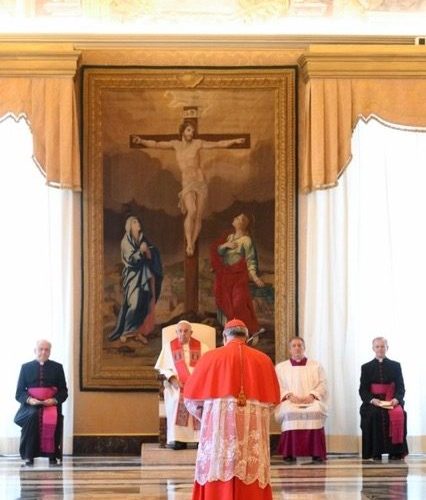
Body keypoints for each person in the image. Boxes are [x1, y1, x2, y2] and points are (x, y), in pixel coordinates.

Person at [184, 318, 280, 500]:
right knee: (251, 470)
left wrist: (206, 417)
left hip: (219, 432)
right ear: (246, 337)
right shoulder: (264, 360)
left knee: (218, 468)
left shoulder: (210, 358)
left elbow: (190, 399)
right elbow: (272, 404)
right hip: (251, 432)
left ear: (224, 337)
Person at [133, 121, 245, 256]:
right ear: (182, 131)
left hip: (200, 181)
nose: (191, 133)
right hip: (187, 182)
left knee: (198, 216)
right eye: (188, 130)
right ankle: (189, 243)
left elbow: (218, 143)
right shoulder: (175, 144)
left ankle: (192, 242)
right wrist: (141, 141)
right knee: (191, 210)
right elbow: (156, 144)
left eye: (192, 131)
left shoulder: (197, 143)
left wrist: (235, 141)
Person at [154, 320, 210, 450]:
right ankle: (178, 439)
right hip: (177, 386)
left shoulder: (203, 347)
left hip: (198, 386)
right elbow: (163, 368)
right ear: (176, 332)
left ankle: (199, 438)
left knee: (201, 401)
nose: (182, 334)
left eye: (186, 331)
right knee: (175, 400)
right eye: (180, 331)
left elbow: (209, 367)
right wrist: (173, 379)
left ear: (191, 333)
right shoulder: (169, 347)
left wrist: (199, 381)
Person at [108, 215, 163, 343]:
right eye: (134, 222)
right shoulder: (126, 241)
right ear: (129, 226)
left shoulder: (142, 239)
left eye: (138, 221)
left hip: (144, 276)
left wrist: (149, 251)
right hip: (133, 276)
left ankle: (137, 331)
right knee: (134, 303)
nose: (138, 223)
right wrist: (141, 251)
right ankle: (127, 331)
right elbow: (130, 259)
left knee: (144, 303)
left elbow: (151, 253)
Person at [14, 340, 68, 466]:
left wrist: (54, 400)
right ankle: (29, 454)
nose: (43, 352)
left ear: (50, 352)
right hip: (30, 405)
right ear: (35, 351)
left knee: (52, 417)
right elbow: (19, 393)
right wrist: (29, 400)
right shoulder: (26, 367)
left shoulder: (57, 367)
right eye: (41, 349)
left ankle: (52, 455)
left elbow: (63, 391)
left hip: (51, 404)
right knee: (33, 416)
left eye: (47, 349)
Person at [274, 336, 328, 463]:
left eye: (300, 345)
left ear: (304, 348)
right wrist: (289, 396)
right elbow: (277, 385)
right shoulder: (281, 367)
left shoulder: (316, 365)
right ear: (289, 349)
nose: (297, 348)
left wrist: (312, 395)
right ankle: (289, 453)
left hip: (311, 400)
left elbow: (323, 384)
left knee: (316, 410)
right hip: (291, 401)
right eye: (294, 346)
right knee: (289, 412)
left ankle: (316, 453)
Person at [211, 213, 264, 336]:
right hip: (226, 276)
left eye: (239, 218)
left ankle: (247, 331)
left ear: (244, 223)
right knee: (226, 304)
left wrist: (255, 277)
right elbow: (219, 252)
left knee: (238, 304)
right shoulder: (230, 237)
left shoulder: (246, 240)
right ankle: (232, 333)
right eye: (235, 217)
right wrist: (225, 245)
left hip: (239, 276)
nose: (235, 219)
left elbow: (250, 259)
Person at [359, 336, 408, 461]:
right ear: (373, 348)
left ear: (387, 348)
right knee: (374, 414)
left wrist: (396, 399)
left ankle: (395, 452)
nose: (380, 349)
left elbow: (401, 387)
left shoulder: (396, 366)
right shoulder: (366, 367)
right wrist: (372, 400)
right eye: (377, 346)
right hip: (374, 402)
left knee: (400, 413)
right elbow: (363, 390)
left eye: (382, 346)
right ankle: (376, 452)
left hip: (392, 400)